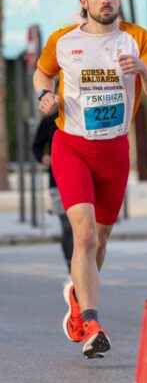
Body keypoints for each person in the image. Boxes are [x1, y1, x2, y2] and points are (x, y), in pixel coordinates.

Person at [33, 0, 147, 359]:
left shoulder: (138, 39)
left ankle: (77, 296)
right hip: (71, 147)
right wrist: (44, 96)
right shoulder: (63, 40)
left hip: (114, 151)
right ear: (84, 1)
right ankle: (91, 324)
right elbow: (42, 73)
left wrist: (142, 69)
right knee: (86, 236)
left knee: (101, 241)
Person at [32, 111, 73, 273]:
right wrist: (43, 157)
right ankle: (72, 270)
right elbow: (36, 147)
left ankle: (83, 270)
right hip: (57, 181)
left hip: (85, 181)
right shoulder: (49, 121)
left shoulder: (84, 115)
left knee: (85, 230)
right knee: (68, 227)